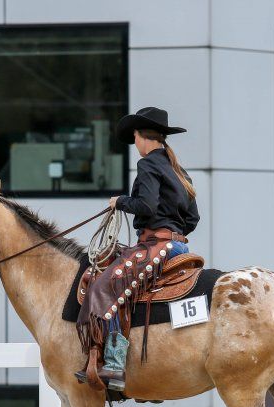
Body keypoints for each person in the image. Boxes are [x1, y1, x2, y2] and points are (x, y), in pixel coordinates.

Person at [75, 107, 199, 391]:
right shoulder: (179, 170)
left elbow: (146, 206)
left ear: (143, 138)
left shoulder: (148, 166)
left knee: (105, 287)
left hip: (156, 245)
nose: (136, 145)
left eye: (135, 138)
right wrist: (174, 235)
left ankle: (115, 366)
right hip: (179, 246)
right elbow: (193, 219)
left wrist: (119, 201)